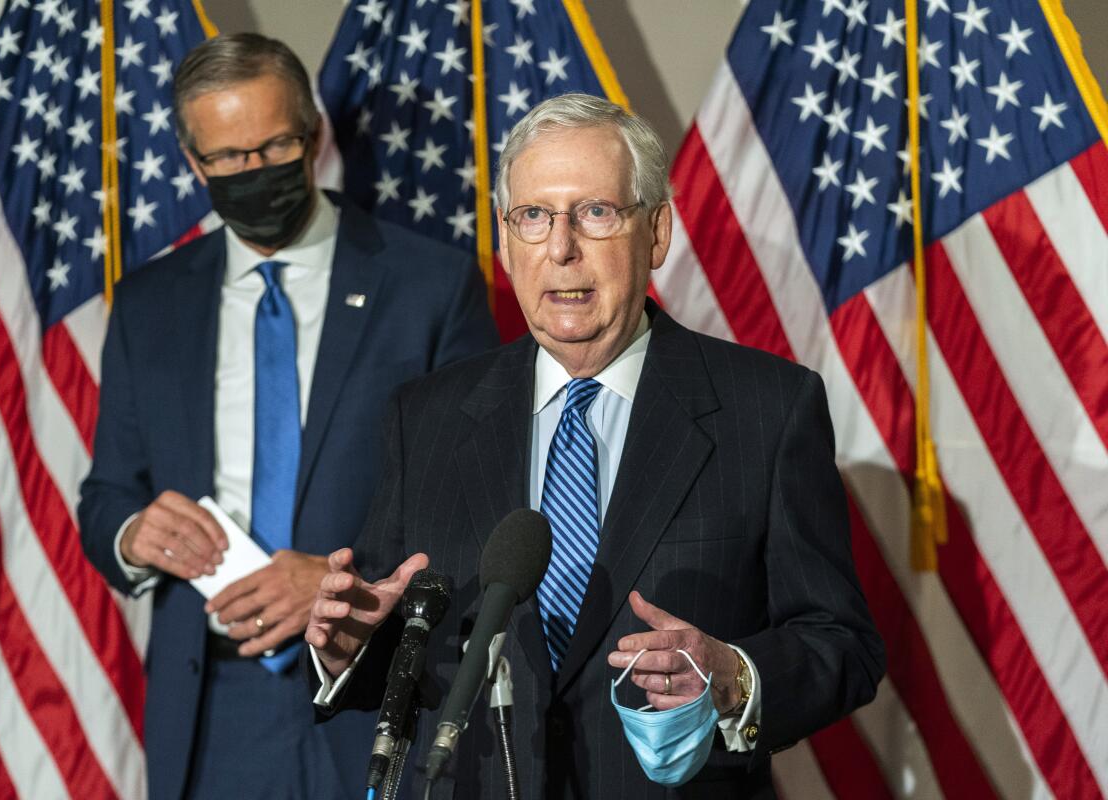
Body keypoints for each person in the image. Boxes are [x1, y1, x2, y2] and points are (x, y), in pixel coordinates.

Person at [305, 94, 885, 798]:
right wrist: (348, 647)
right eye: (535, 217)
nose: (561, 247)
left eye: (596, 213)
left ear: (658, 234)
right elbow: (403, 638)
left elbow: (842, 643)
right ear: (507, 242)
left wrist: (732, 673)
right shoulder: (424, 416)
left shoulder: (767, 409)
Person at [77, 33, 498, 800]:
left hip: (374, 694)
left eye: (273, 145)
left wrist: (349, 589)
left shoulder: (431, 285)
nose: (252, 172)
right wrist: (135, 535)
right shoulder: (148, 304)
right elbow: (106, 494)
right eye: (227, 157)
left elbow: (482, 505)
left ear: (312, 134)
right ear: (192, 160)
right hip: (212, 712)